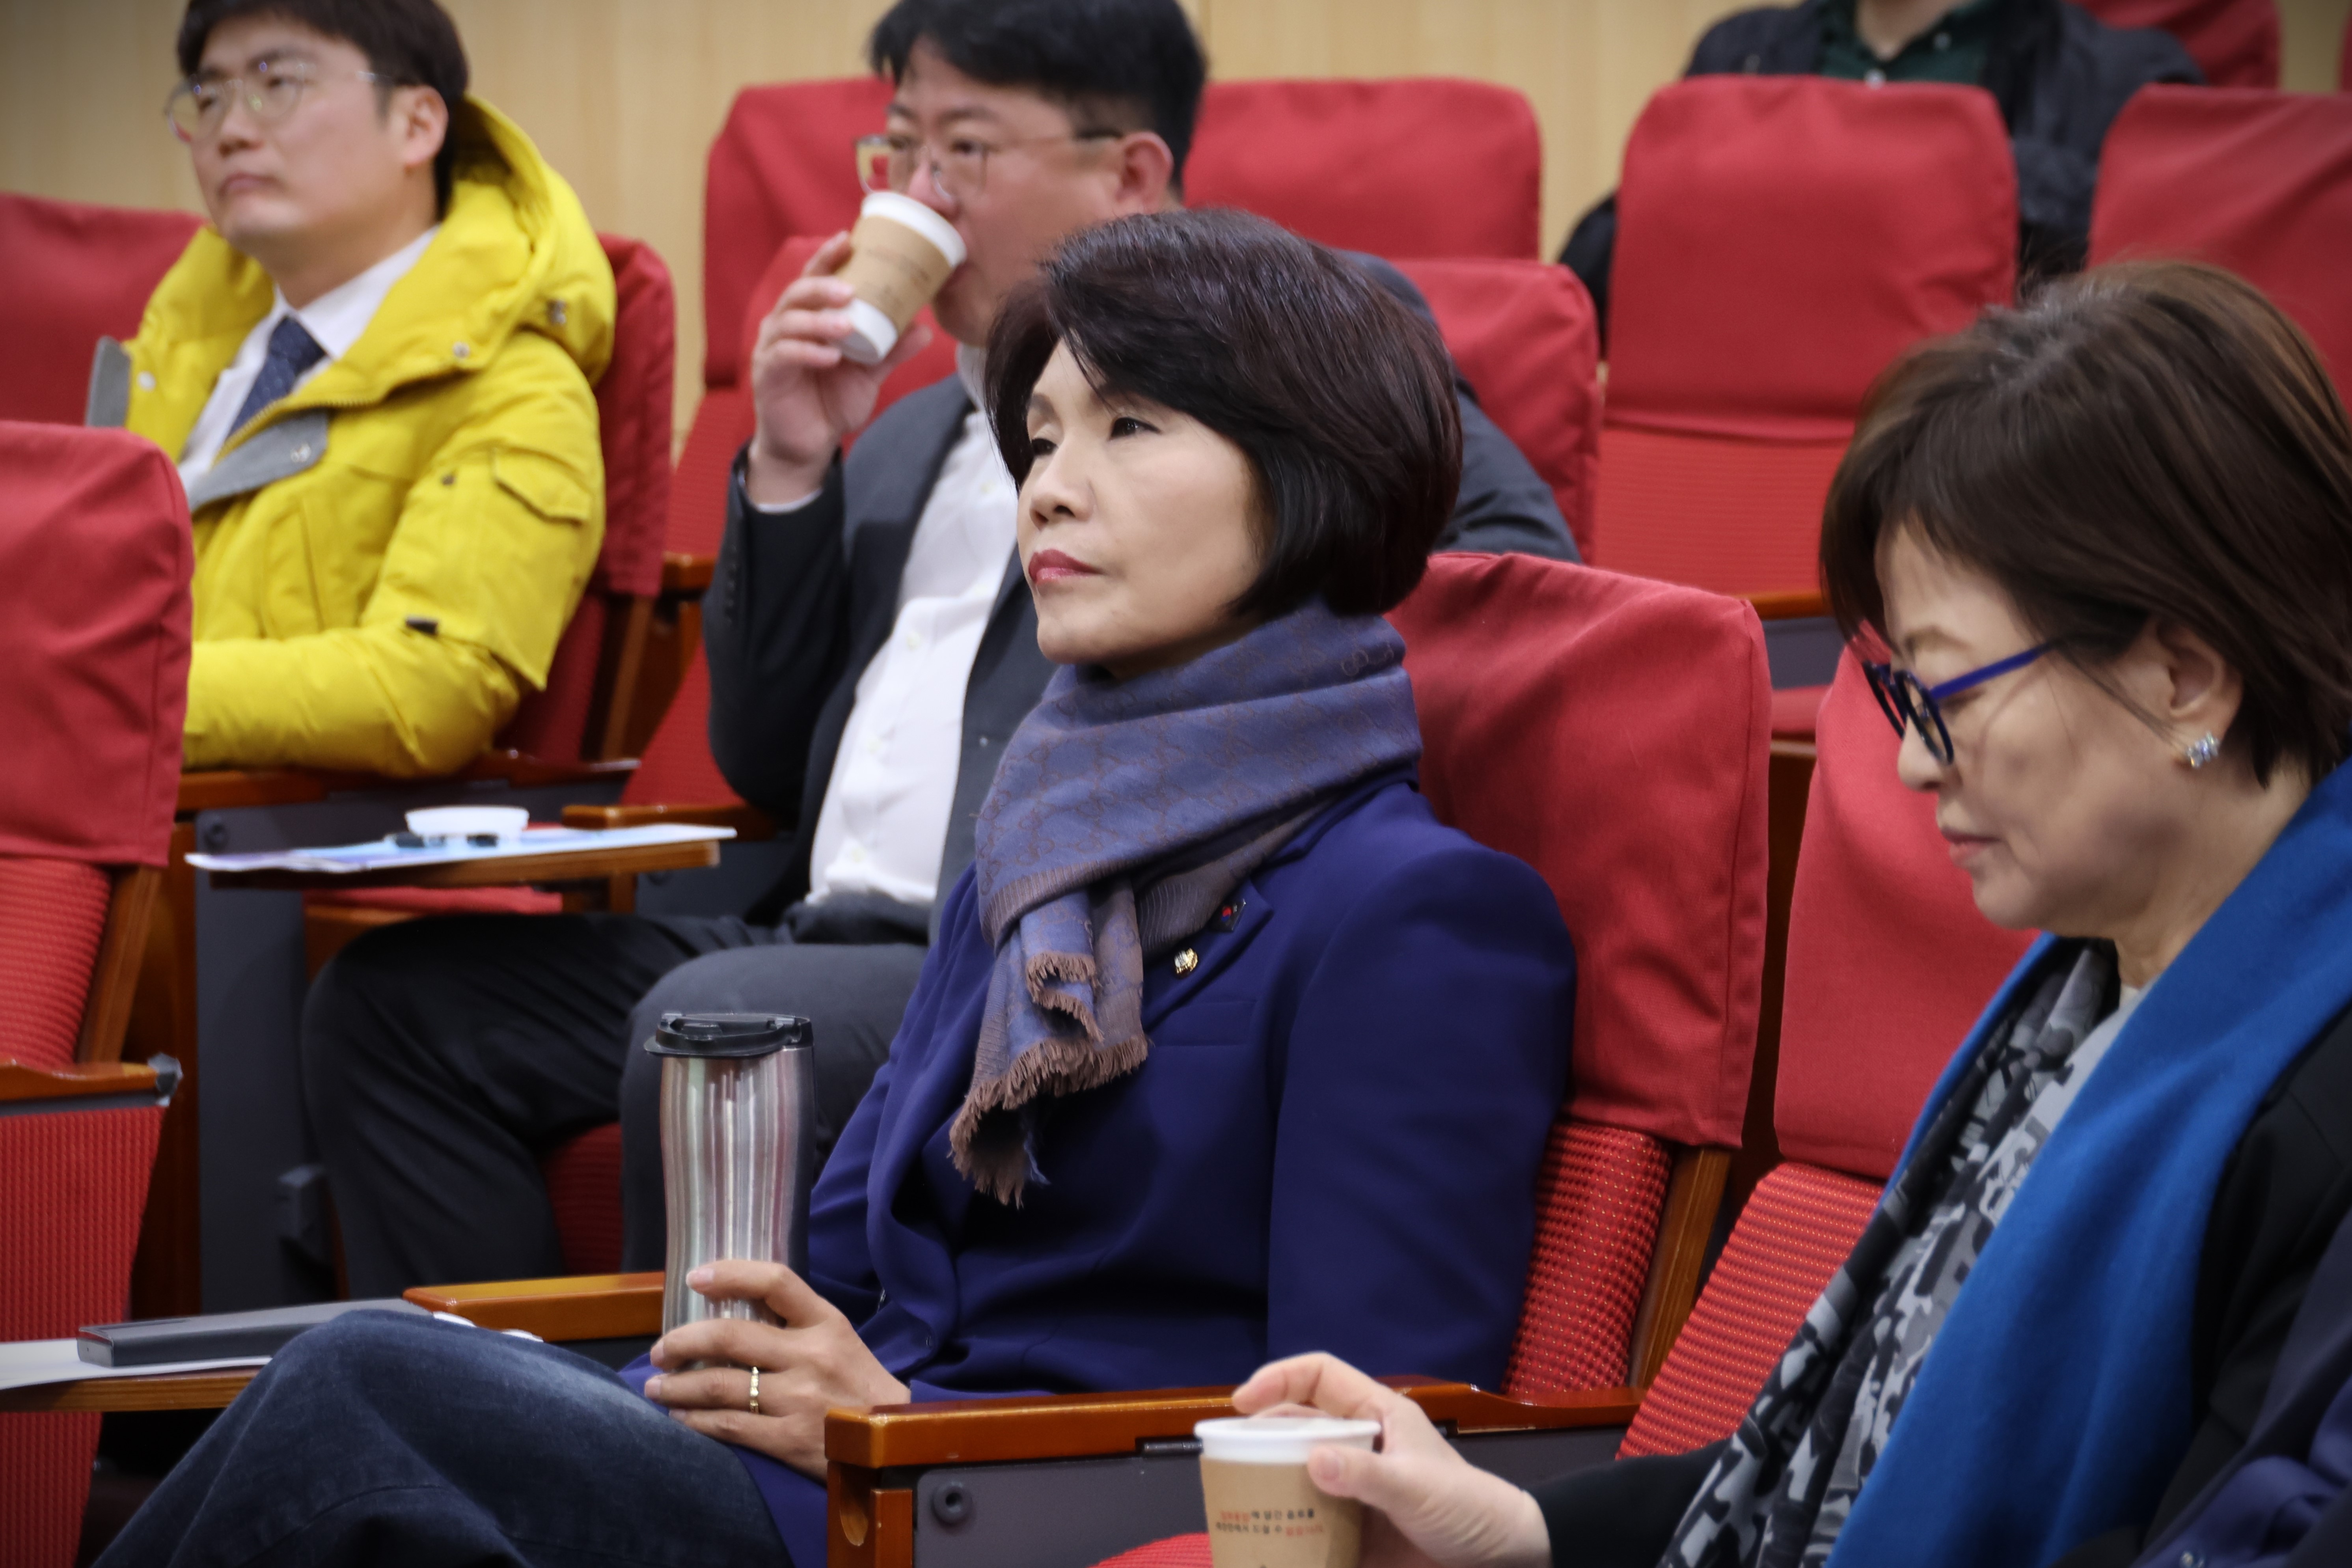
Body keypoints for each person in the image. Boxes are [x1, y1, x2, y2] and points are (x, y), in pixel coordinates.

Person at [97, 207, 1579, 1568]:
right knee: (378, 1387)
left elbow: (1365, 1457)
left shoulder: (1417, 917)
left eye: (1128, 427)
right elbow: (851, 1258)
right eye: (1040, 438)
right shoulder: (1036, 847)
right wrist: (732, 1372)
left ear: (1313, 472)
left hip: (991, 1510)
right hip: (841, 1468)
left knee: (370, 1389)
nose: (1050, 488)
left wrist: (896, 1425)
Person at [300, 0, 1579, 1300]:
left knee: (726, 1022)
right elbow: (763, 756)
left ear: (1127, 172)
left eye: (963, 148)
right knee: (394, 1002)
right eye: (899, 148)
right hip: (812, 919)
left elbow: (1490, 554)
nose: (914, 194)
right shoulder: (904, 429)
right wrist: (791, 463)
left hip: (1042, 915)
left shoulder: (1284, 353)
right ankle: (506, 1360)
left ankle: (658, 1385)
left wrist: (1221, 669)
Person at [1223, 261, 2352, 1568]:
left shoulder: (2312, 1097)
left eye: (1947, 695)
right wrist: (1524, 1528)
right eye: (1901, 702)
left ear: (2182, 675)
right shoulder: (2083, 995)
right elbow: (1853, 1462)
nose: (1914, 764)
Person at [106, 0, 612, 776]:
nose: (230, 130)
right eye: (207, 97)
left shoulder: (515, 391)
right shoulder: (164, 359)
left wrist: (109, 698)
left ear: (416, 125)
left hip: (248, 835)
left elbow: (429, 688)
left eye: (277, 85)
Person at [1561, 0, 2198, 342]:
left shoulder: (2125, 78)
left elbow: (2168, 303)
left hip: (1998, 455)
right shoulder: (1739, 54)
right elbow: (1596, 279)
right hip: (1748, 435)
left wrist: (1946, 170)